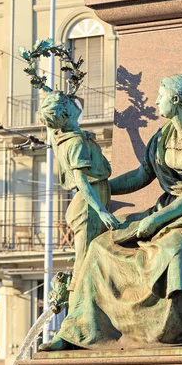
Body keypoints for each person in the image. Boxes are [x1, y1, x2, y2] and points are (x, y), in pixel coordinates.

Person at [40, 75, 182, 358]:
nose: (155, 101)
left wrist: (155, 221)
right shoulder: (162, 136)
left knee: (176, 247)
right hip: (170, 209)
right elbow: (142, 176)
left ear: (175, 101)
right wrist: (96, 189)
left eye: (160, 96)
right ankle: (81, 330)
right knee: (101, 246)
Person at [39, 92, 119, 296]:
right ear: (66, 112)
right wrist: (101, 211)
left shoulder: (68, 137)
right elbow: (81, 181)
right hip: (87, 210)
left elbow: (52, 127)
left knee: (93, 263)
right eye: (68, 102)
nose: (74, 102)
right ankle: (77, 319)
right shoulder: (75, 143)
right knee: (83, 268)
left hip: (91, 203)